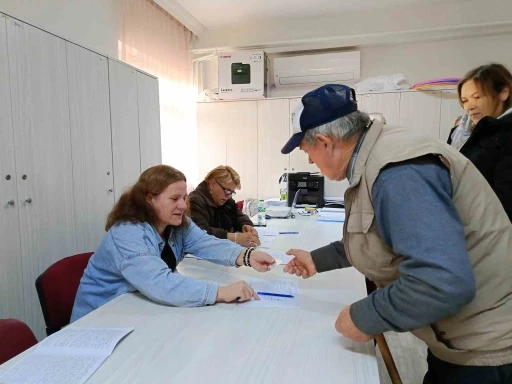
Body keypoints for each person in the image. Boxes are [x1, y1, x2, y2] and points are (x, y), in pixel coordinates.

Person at [281, 84, 512, 384]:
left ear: (325, 142)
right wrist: (316, 259)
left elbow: (440, 281)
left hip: (485, 352)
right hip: (458, 339)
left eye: (306, 150)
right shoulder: (379, 155)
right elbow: (379, 236)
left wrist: (365, 316)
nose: (310, 161)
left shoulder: (397, 172)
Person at [71, 165, 275, 322]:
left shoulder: (177, 223)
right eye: (174, 198)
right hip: (99, 321)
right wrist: (221, 292)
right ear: (149, 199)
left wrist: (247, 256)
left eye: (184, 198)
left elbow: (205, 242)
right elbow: (159, 282)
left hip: (135, 310)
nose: (182, 205)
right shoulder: (128, 233)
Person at [448, 63, 512, 220]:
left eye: (477, 97)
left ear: (503, 93)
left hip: (491, 227)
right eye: (465, 100)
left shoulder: (507, 133)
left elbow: (505, 197)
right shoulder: (460, 132)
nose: (469, 106)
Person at [187, 165, 260, 247]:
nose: (228, 196)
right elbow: (199, 232)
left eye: (231, 192)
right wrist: (233, 237)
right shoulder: (194, 201)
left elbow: (238, 215)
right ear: (212, 184)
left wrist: (246, 225)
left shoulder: (225, 199)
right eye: (227, 190)